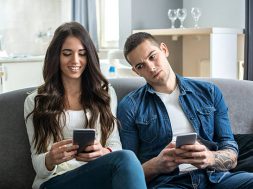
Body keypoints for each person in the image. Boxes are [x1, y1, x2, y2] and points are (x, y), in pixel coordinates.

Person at [117, 32, 253, 189]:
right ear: (136, 71)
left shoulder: (209, 92)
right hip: (169, 183)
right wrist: (157, 165)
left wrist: (210, 158)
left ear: (164, 50)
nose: (151, 67)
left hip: (215, 178)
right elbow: (128, 172)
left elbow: (230, 151)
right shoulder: (130, 106)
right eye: (141, 66)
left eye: (152, 56)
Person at [24, 22, 146, 189]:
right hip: (56, 181)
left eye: (82, 54)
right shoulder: (36, 100)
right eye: (67, 53)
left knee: (126, 157)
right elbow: (37, 162)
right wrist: (50, 159)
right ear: (56, 56)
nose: (75, 60)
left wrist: (103, 152)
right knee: (127, 158)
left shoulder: (105, 93)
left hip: (96, 174)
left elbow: (114, 144)